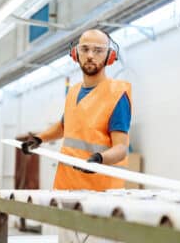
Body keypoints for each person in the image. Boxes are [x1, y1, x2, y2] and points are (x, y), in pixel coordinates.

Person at [21, 29, 132, 191]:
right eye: (85, 49)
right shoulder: (73, 92)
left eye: (98, 50)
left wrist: (99, 159)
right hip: (66, 185)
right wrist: (38, 139)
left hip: (99, 190)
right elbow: (64, 126)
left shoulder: (116, 95)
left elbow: (121, 149)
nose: (90, 55)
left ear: (110, 56)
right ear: (75, 54)